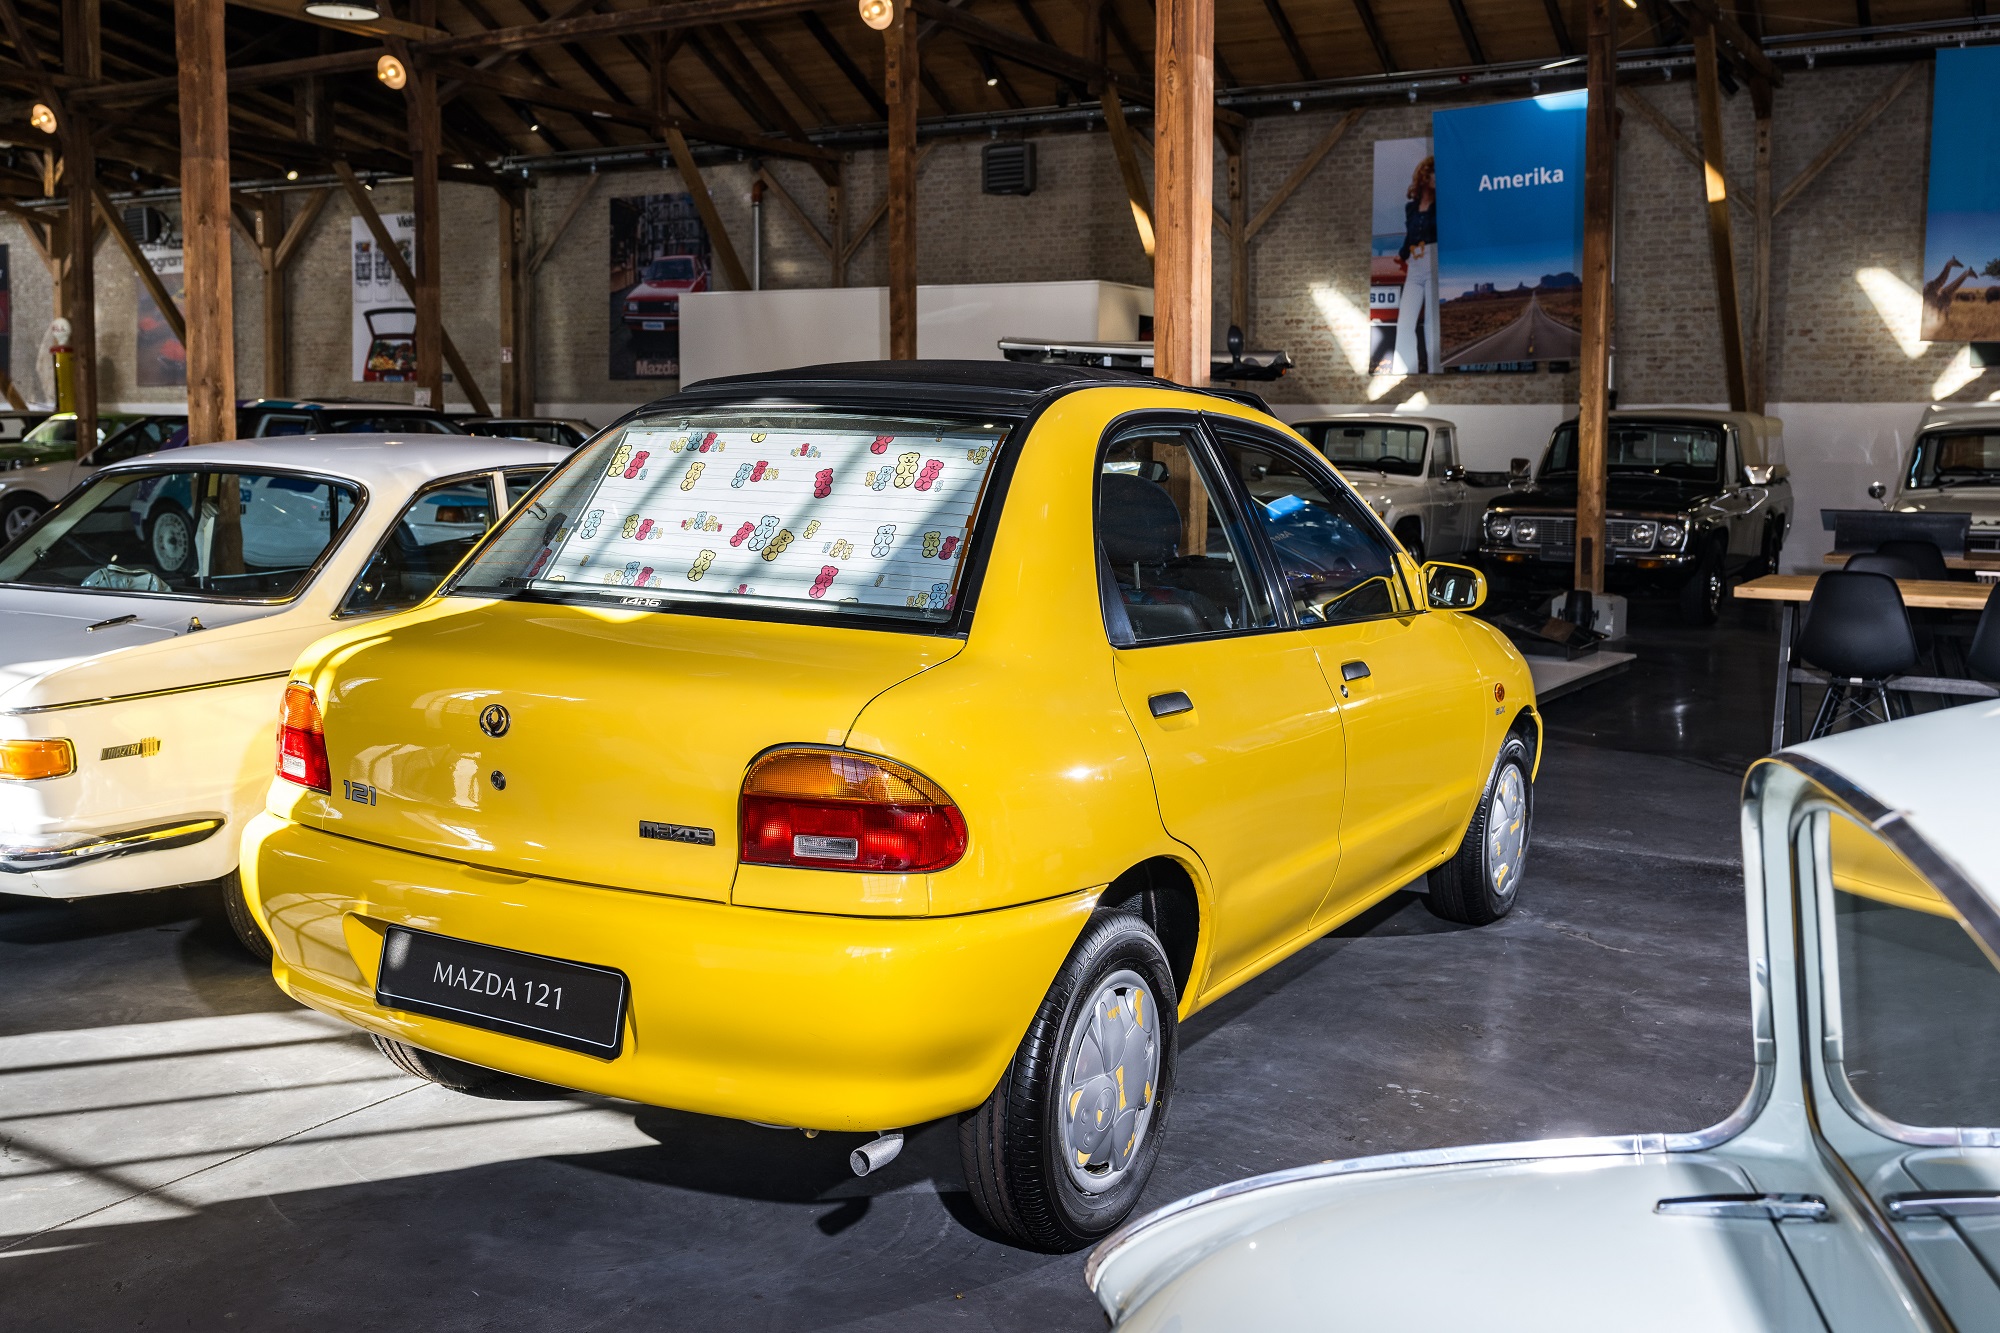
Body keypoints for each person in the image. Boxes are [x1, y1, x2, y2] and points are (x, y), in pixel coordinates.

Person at [1393, 157, 1438, 375]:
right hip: (1415, 263)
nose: (1437, 178)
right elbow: (1410, 236)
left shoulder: (1442, 206)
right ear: (1424, 176)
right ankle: (1405, 371)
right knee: (1404, 322)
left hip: (1434, 260)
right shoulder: (1411, 208)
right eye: (1434, 172)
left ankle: (1435, 369)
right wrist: (1402, 255)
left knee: (1431, 323)